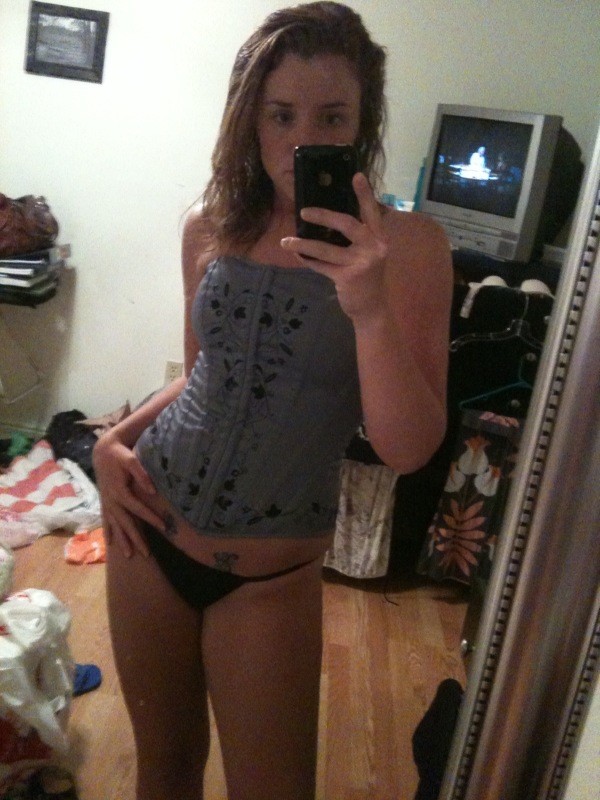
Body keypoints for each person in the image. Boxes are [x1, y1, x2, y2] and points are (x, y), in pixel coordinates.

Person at [93, 3, 452, 799]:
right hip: (149, 531)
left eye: (331, 117)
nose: (300, 139)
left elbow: (408, 448)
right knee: (163, 770)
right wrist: (112, 441)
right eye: (280, 114)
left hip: (270, 576)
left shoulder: (410, 249)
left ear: (362, 124)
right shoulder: (210, 224)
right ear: (249, 117)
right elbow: (202, 374)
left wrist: (369, 308)